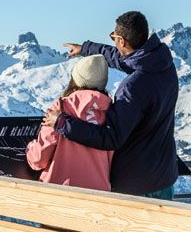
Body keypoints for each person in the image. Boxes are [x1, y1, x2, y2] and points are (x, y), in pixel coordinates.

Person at [43, 11, 179, 198]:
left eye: (113, 37)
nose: (114, 42)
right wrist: (85, 49)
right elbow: (123, 59)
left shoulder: (132, 88)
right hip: (164, 176)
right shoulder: (164, 66)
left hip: (137, 185)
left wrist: (61, 122)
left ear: (122, 41)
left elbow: (110, 138)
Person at [27, 55, 113, 191]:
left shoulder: (61, 108)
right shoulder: (113, 111)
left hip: (60, 190)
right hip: (100, 194)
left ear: (76, 79)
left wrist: (30, 148)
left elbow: (39, 159)